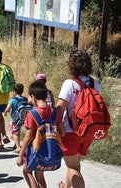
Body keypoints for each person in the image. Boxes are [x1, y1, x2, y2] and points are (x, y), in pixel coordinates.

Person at [56, 50, 99, 188]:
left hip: (70, 132)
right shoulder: (95, 83)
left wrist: (58, 127)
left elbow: (59, 108)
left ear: (71, 65)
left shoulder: (70, 83)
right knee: (74, 164)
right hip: (87, 132)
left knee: (72, 167)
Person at [16, 81, 64, 188]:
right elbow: (62, 132)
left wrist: (20, 155)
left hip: (34, 151)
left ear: (33, 97)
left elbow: (28, 137)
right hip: (47, 152)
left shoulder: (32, 113)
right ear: (46, 95)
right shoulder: (54, 112)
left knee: (27, 171)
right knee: (40, 176)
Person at [4, 83, 27, 153]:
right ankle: (16, 144)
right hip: (22, 118)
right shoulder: (25, 99)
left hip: (14, 119)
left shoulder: (12, 100)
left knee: (14, 133)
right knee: (18, 131)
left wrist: (5, 112)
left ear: (14, 91)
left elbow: (8, 108)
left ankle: (18, 147)